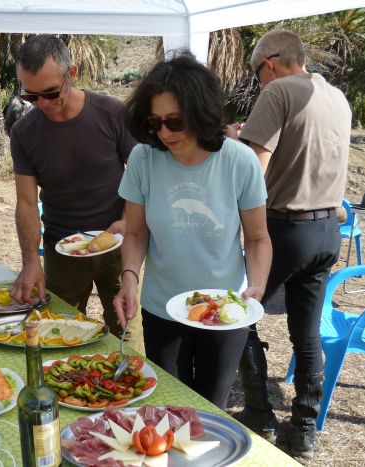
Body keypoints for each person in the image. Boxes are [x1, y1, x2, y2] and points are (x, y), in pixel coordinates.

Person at [113, 52, 272, 409]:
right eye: (155, 123)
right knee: (169, 404)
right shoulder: (143, 158)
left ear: (201, 113)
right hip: (161, 308)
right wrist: (129, 280)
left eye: (175, 121)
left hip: (222, 310)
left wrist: (256, 287)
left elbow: (258, 238)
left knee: (209, 408)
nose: (164, 133)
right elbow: (136, 232)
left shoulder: (239, 160)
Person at [234, 30, 351, 459]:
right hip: (327, 231)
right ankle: (303, 427)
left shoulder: (278, 90)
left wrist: (235, 142)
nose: (258, 82)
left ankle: (260, 413)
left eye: (256, 73)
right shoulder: (336, 96)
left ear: (269, 64)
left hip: (284, 228)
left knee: (240, 313)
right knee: (306, 334)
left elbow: (253, 170)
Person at [8, 34, 137, 338]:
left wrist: (129, 219)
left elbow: (143, 174)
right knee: (59, 336)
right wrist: (31, 262)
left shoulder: (112, 114)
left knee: (127, 336)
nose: (42, 104)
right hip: (62, 250)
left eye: (51, 93)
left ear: (72, 74)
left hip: (116, 244)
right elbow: (26, 203)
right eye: (31, 96)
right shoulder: (24, 133)